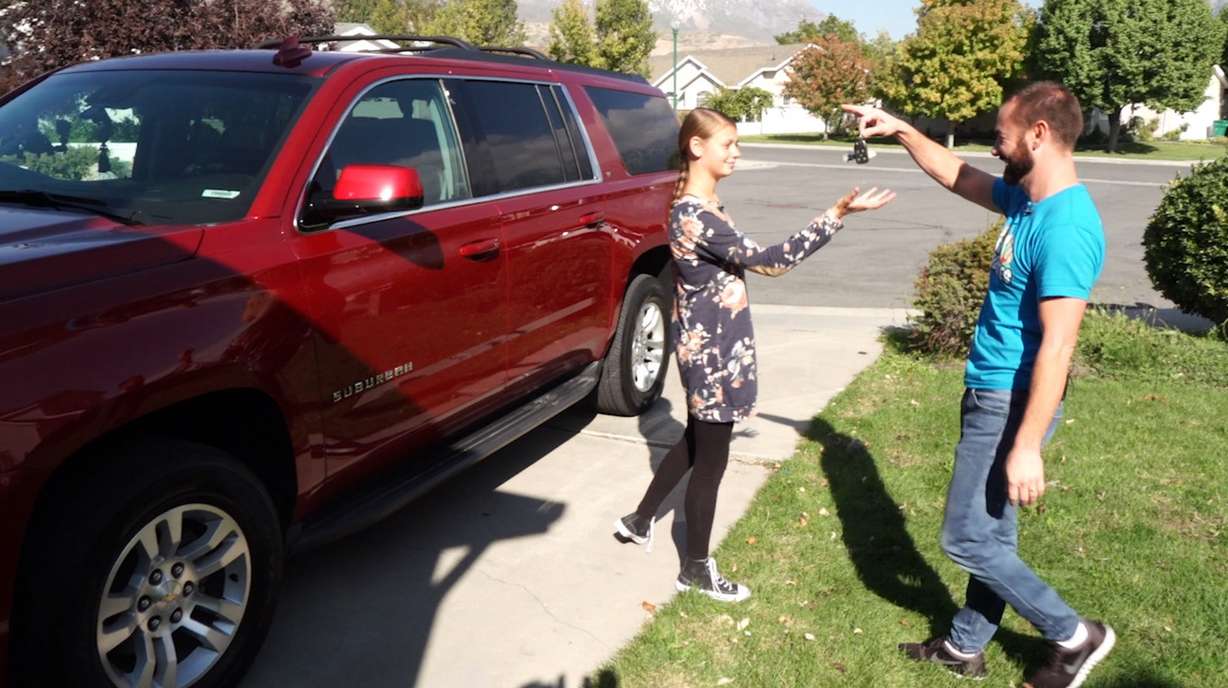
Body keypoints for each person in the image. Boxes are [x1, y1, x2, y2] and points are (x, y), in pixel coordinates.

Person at [843, 82, 1114, 688]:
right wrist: (903, 129)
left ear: (1038, 135)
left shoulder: (1067, 225)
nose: (995, 147)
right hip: (991, 390)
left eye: (1001, 135)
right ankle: (965, 647)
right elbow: (958, 176)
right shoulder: (1027, 199)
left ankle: (1073, 635)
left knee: (965, 538)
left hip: (1011, 399)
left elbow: (1059, 345)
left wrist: (1027, 444)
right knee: (993, 534)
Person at [614, 107, 894, 602]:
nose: (737, 152)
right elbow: (770, 263)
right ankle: (695, 569)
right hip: (714, 356)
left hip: (713, 348)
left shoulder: (699, 205)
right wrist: (835, 216)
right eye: (728, 144)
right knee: (711, 465)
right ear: (697, 148)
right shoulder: (696, 215)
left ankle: (639, 522)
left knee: (697, 442)